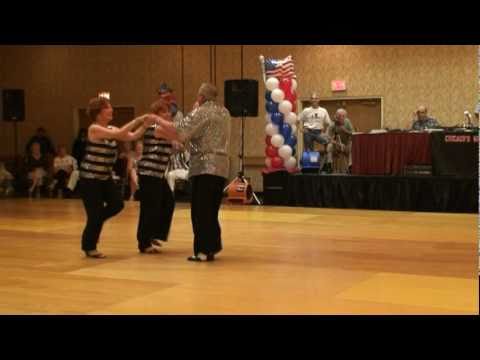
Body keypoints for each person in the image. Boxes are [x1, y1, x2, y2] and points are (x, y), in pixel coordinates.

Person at [150, 83, 231, 262]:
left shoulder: (201, 111)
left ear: (201, 97)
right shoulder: (224, 112)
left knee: (200, 210)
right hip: (222, 166)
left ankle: (202, 251)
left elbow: (181, 132)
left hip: (204, 166)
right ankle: (212, 246)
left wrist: (158, 121)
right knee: (211, 209)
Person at [78, 96, 153, 259]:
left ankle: (96, 220)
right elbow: (120, 133)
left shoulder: (110, 128)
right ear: (99, 113)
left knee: (117, 204)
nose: (112, 109)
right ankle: (89, 246)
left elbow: (131, 136)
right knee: (95, 214)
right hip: (90, 179)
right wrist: (138, 119)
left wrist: (145, 125)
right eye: (108, 107)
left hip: (104, 178)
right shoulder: (94, 129)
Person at [136, 99, 175, 254]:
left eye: (168, 111)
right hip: (148, 173)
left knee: (168, 201)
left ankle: (153, 234)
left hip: (157, 174)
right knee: (149, 207)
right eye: (164, 111)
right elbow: (177, 135)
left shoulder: (163, 129)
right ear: (156, 115)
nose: (168, 114)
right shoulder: (156, 128)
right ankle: (143, 242)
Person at [299, 93, 332, 170]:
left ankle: (324, 164)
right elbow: (297, 120)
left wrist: (325, 132)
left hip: (319, 132)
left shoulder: (323, 110)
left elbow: (329, 123)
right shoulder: (306, 110)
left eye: (316, 98)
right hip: (308, 132)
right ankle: (311, 167)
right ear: (310, 100)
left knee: (328, 143)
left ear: (319, 100)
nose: (314, 100)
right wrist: (301, 129)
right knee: (309, 151)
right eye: (312, 98)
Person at [326, 109, 354, 174]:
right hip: (336, 144)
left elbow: (353, 133)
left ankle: (350, 166)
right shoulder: (332, 124)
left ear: (345, 116)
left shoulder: (347, 122)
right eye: (339, 116)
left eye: (343, 116)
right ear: (336, 116)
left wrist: (345, 130)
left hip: (346, 143)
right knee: (329, 147)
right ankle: (329, 165)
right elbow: (327, 136)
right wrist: (335, 142)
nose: (341, 118)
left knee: (353, 147)